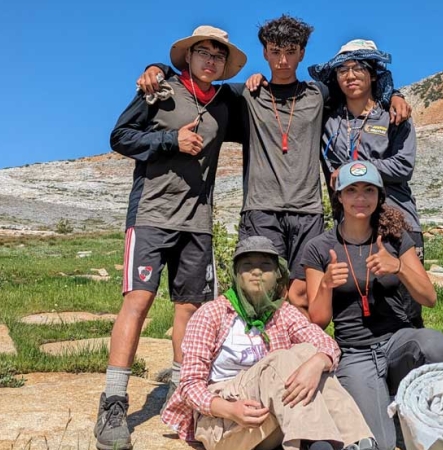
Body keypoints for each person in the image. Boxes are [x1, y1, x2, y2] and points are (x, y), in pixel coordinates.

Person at [136, 16, 413, 314]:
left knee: (303, 293)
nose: (283, 60)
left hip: (307, 211)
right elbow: (196, 80)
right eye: (275, 51)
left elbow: (359, 83)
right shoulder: (245, 95)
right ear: (265, 53)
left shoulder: (318, 94)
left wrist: (393, 95)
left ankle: (303, 355)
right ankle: (261, 356)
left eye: (291, 51)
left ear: (302, 53)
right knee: (261, 293)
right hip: (261, 210)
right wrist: (159, 68)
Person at [94, 26, 247, 450]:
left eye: (219, 55)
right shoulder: (160, 90)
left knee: (190, 311)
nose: (211, 60)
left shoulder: (225, 103)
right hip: (151, 215)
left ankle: (186, 397)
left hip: (197, 222)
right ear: (189, 56)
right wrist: (170, 139)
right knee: (138, 300)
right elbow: (120, 137)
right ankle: (113, 401)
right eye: (204, 52)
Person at [162, 235, 377, 450]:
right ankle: (318, 443)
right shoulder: (211, 314)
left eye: (265, 266)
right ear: (237, 275)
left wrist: (318, 362)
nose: (256, 272)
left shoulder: (283, 312)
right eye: (247, 266)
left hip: (274, 413)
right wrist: (231, 410)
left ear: (277, 275)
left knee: (308, 352)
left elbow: (326, 344)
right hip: (226, 421)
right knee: (282, 359)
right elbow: (189, 385)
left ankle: (358, 442)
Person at [301, 161, 443, 450]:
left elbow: (429, 298)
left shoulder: (395, 239)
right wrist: (325, 285)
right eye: (352, 190)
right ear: (339, 196)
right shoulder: (319, 248)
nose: (360, 198)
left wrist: (398, 266)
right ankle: (399, 414)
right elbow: (318, 322)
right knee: (381, 444)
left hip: (399, 340)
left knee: (436, 346)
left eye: (368, 190)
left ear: (379, 196)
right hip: (354, 352)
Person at [308, 39, 426, 327]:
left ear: (373, 74)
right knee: (357, 305)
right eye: (343, 70)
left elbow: (403, 166)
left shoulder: (394, 117)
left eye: (359, 68)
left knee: (407, 306)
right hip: (352, 226)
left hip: (399, 220)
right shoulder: (329, 121)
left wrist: (355, 170)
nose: (350, 76)